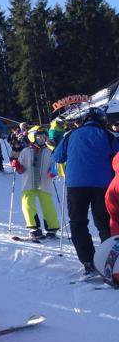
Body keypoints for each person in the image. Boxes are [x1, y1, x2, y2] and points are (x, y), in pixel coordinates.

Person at [52, 107, 118, 273]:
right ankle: (110, 259)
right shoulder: (109, 135)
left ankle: (88, 260)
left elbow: (57, 157)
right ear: (102, 121)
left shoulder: (71, 135)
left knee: (78, 222)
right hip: (102, 184)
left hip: (76, 184)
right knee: (104, 223)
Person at [11, 126, 59, 240]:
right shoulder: (25, 151)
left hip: (44, 183)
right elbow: (21, 170)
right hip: (29, 183)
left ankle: (52, 229)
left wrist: (53, 172)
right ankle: (34, 228)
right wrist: (17, 166)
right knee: (27, 204)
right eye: (39, 137)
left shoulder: (49, 152)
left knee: (48, 205)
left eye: (43, 137)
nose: (42, 139)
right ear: (32, 138)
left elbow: (54, 166)